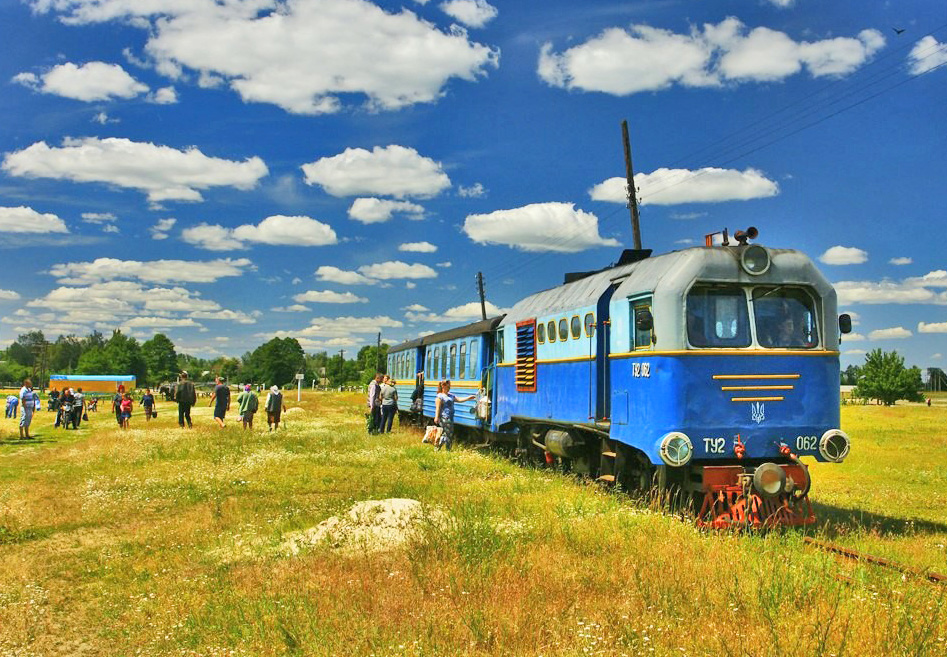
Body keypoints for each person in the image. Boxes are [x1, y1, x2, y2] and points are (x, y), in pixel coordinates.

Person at [433, 380, 476, 451]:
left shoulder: (451, 395)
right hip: (444, 417)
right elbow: (438, 408)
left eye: (450, 386)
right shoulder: (439, 396)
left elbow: (459, 400)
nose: (449, 387)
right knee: (448, 434)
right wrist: (436, 417)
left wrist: (469, 398)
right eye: (448, 386)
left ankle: (437, 448)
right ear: (443, 386)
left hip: (450, 417)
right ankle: (447, 450)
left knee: (446, 434)